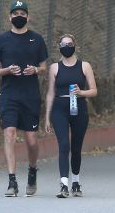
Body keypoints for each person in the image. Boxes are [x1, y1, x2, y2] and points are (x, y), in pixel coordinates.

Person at [0, 0, 48, 197]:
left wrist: (35, 70)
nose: (19, 16)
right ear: (9, 17)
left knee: (31, 141)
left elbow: (44, 68)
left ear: (28, 17)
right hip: (9, 96)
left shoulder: (37, 39)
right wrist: (6, 70)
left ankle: (32, 171)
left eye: (23, 13)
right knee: (10, 134)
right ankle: (12, 181)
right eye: (15, 13)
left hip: (30, 96)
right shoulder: (1, 40)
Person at [45, 34, 97, 198]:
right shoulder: (54, 67)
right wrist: (46, 117)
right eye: (63, 44)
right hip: (59, 108)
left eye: (69, 43)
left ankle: (76, 182)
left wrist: (82, 93)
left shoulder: (85, 66)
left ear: (75, 45)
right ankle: (64, 184)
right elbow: (50, 93)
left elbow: (94, 91)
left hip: (79, 107)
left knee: (76, 148)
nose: (66, 46)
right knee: (64, 145)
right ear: (59, 47)